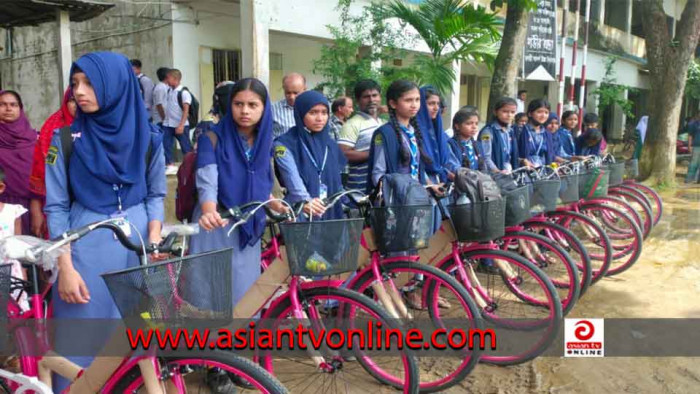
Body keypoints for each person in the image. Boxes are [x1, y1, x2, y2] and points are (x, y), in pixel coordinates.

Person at [44, 51, 166, 391]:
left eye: (89, 84)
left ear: (116, 87)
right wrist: (65, 268)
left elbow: (156, 195)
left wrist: (153, 239)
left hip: (137, 250)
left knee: (138, 343)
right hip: (85, 252)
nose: (79, 92)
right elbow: (55, 207)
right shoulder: (65, 142)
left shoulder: (150, 140)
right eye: (75, 84)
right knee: (81, 344)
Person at [190, 78, 286, 304]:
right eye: (238, 104)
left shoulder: (265, 141)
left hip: (248, 223)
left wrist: (273, 202)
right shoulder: (212, 137)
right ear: (230, 105)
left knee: (244, 293)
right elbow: (207, 180)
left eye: (253, 105)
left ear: (264, 108)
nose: (245, 111)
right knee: (210, 293)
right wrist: (209, 210)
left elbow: (258, 183)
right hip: (217, 224)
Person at [275, 90, 347, 220]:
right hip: (301, 212)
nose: (320, 118)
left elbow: (337, 181)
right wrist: (306, 201)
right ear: (301, 113)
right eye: (313, 113)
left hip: (330, 211)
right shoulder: (284, 144)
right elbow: (292, 179)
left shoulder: (329, 144)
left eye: (324, 113)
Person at [367, 79, 442, 194]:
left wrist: (430, 185)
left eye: (417, 100)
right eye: (408, 100)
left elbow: (417, 169)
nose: (414, 105)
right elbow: (378, 173)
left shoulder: (414, 131)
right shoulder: (384, 133)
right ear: (393, 104)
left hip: (416, 197)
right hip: (397, 199)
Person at [28, 88, 76, 237]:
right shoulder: (52, 129)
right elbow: (39, 172)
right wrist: (36, 211)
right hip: (56, 208)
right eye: (72, 100)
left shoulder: (104, 131)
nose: (77, 104)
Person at [0, 90, 37, 235]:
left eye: (13, 105)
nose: (8, 108)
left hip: (31, 205)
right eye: (2, 104)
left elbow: (40, 175)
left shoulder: (34, 138)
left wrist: (37, 209)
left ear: (20, 109)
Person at [337, 79, 383, 192]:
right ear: (358, 100)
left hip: (379, 189)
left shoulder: (383, 122)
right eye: (366, 96)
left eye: (375, 95)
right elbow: (343, 154)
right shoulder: (352, 124)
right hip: (360, 190)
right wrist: (375, 154)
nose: (372, 100)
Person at [0, 166, 30, 311]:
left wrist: (23, 269)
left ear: (1, 187)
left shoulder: (13, 212)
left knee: (15, 309)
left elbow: (18, 243)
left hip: (12, 270)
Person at [416, 86, 459, 182]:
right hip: (422, 186)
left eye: (438, 104)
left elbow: (448, 161)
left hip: (441, 181)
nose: (436, 108)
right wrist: (430, 184)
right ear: (421, 105)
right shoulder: (413, 132)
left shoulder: (439, 134)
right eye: (431, 104)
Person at [478, 97, 520, 174]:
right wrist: (498, 172)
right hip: (495, 175)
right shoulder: (487, 132)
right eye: (505, 111)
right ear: (495, 112)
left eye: (512, 112)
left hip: (509, 172)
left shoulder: (510, 131)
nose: (509, 115)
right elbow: (485, 157)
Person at [163, 68, 193, 173]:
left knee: (186, 147)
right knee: (166, 145)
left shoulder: (183, 93)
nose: (167, 80)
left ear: (175, 79)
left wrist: (181, 125)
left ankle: (190, 166)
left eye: (169, 78)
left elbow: (186, 110)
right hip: (168, 124)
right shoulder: (170, 90)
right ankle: (169, 165)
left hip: (181, 125)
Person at [518, 99, 559, 167]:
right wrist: (522, 161)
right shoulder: (520, 131)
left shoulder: (547, 134)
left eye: (546, 112)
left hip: (542, 173)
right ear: (530, 113)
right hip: (524, 172)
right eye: (539, 112)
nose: (543, 115)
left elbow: (550, 156)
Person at [271, 72, 306, 138]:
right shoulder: (272, 109)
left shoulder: (312, 110)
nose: (291, 97)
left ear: (304, 90)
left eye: (295, 93)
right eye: (288, 93)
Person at [685, 113, 700, 183]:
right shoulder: (694, 124)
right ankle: (689, 179)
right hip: (697, 146)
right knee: (694, 163)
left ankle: (697, 180)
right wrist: (689, 146)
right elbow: (690, 136)